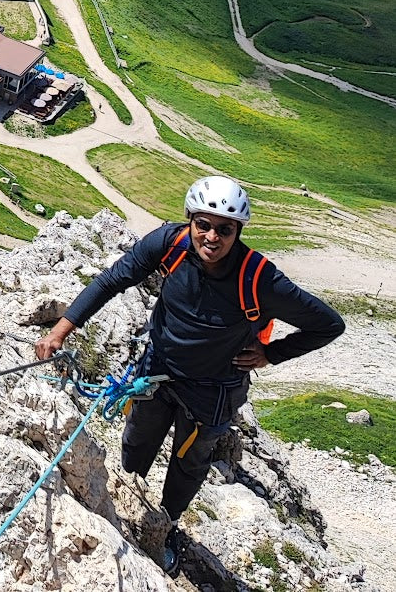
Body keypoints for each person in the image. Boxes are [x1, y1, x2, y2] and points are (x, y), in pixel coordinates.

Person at [35, 176, 343, 573]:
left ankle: (166, 526)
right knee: (137, 445)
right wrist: (62, 328)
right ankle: (129, 509)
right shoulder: (170, 244)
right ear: (190, 221)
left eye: (224, 229)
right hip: (157, 371)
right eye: (203, 224)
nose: (212, 236)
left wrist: (272, 353)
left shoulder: (259, 278)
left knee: (188, 464)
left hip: (212, 392)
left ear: (238, 231)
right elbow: (113, 279)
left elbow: (328, 324)